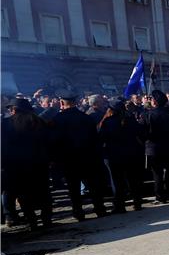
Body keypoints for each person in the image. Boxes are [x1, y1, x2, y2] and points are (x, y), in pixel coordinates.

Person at [52, 90, 107, 220]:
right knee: (93, 185)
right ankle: (99, 208)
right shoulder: (85, 117)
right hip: (88, 156)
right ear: (76, 102)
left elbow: (55, 141)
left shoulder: (58, 119)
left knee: (73, 187)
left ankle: (78, 212)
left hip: (69, 158)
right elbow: (95, 138)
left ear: (61, 102)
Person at [2, 98, 53, 228]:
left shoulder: (6, 124)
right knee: (44, 191)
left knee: (23, 194)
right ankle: (46, 219)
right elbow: (49, 142)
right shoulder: (38, 121)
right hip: (39, 163)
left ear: (14, 109)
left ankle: (32, 221)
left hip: (16, 165)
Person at [98, 97, 144, 212]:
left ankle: (120, 205)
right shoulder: (131, 120)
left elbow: (101, 138)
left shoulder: (107, 122)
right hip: (131, 154)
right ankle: (137, 202)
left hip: (114, 155)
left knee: (117, 181)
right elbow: (140, 133)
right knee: (133, 180)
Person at [143, 90, 169, 203]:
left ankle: (160, 196)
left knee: (157, 174)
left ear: (154, 101)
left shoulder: (149, 114)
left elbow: (145, 132)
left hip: (155, 148)